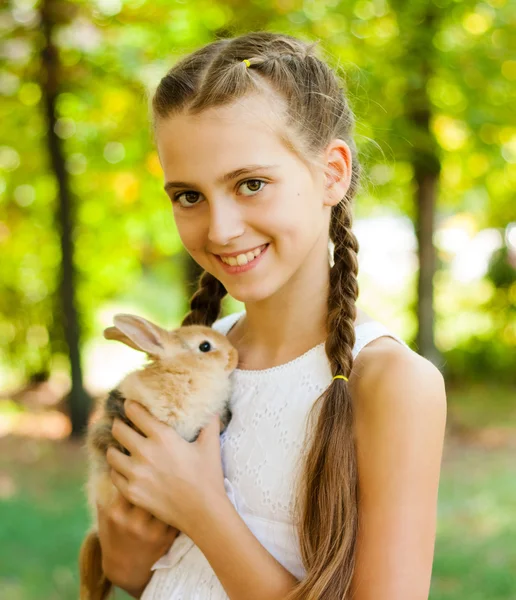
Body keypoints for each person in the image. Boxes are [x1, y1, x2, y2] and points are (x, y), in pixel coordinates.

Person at [98, 31, 447, 600]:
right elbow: (173, 579)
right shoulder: (189, 366)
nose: (220, 228)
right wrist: (128, 561)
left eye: (250, 184)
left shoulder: (391, 383)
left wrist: (203, 510)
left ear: (332, 173)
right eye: (189, 196)